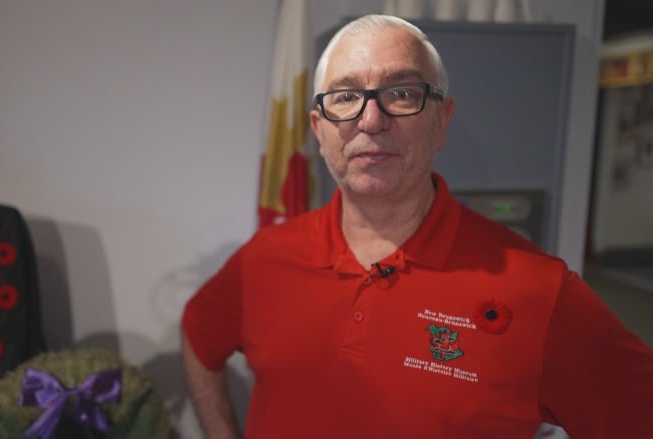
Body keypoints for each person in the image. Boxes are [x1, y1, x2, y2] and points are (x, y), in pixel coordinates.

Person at [181, 14, 653, 439]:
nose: (371, 119)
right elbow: (198, 335)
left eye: (401, 93)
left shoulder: (540, 291)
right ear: (319, 130)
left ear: (442, 121)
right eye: (345, 97)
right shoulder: (266, 257)